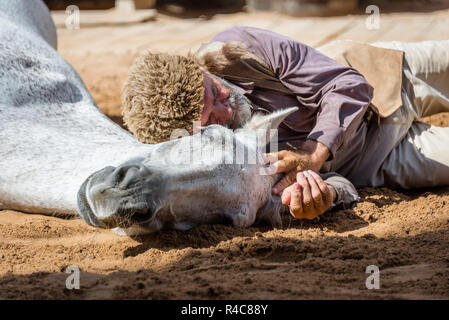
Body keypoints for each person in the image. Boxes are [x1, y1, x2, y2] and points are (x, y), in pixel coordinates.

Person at [121, 26, 449, 220]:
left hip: (390, 73)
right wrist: (321, 198)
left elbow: (348, 86)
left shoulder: (238, 49)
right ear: (195, 137)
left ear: (198, 68)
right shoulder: (226, 166)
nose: (224, 103)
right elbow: (334, 186)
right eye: (211, 118)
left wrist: (310, 154)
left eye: (212, 89)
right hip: (381, 157)